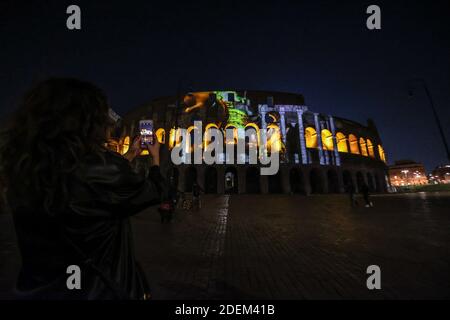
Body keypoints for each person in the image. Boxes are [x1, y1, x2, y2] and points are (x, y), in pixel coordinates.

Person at [0, 78, 164, 300]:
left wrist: (130, 155)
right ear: (86, 121)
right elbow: (154, 190)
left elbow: (87, 176)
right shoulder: (102, 169)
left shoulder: (24, 170)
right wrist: (155, 158)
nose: (109, 124)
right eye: (103, 118)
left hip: (37, 288)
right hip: (94, 291)